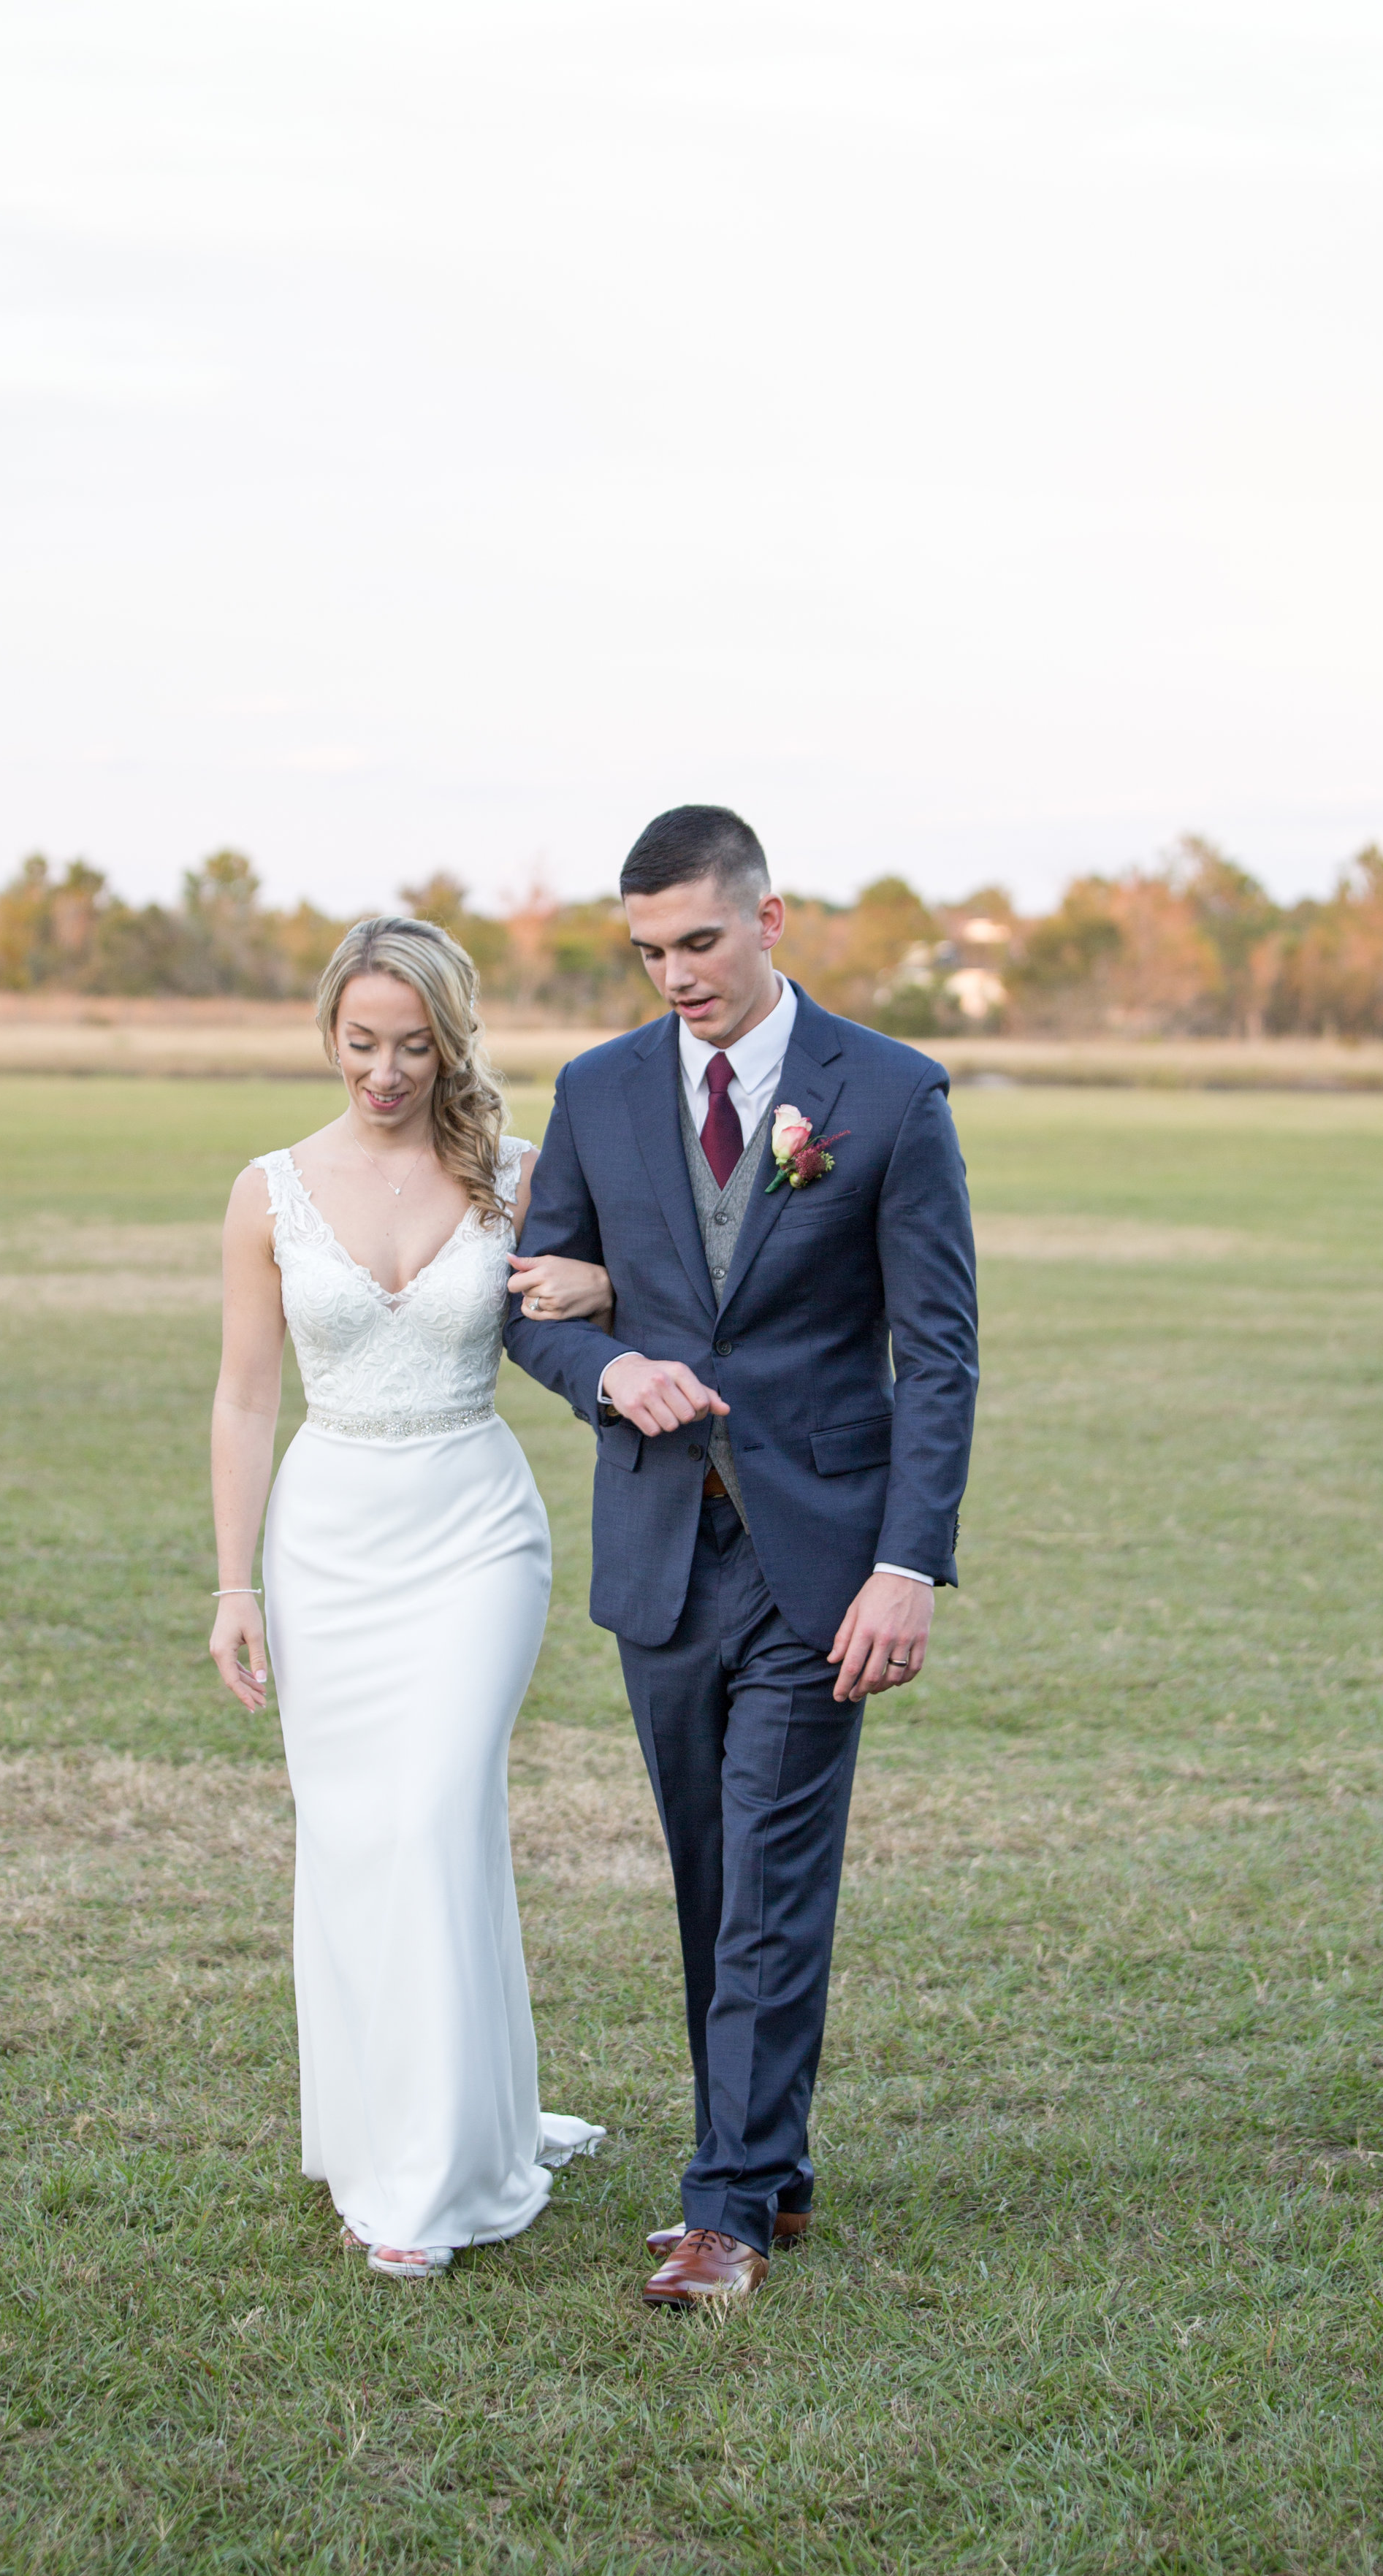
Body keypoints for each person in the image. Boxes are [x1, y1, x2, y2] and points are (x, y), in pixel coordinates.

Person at [506, 806, 978, 2307]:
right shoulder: (593, 1092)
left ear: (770, 921)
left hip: (819, 1555)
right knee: (711, 1876)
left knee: (773, 1872)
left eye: (697, 942)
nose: (673, 977)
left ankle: (718, 2208)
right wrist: (605, 1372)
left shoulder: (890, 1097)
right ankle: (767, 2167)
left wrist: (906, 1565)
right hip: (659, 1546)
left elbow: (940, 1357)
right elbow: (530, 1303)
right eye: (646, 951)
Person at [208, 914, 607, 2279]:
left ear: (452, 1041)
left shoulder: (515, 1172)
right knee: (357, 1831)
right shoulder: (269, 1189)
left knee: (438, 1810)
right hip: (327, 1541)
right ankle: (401, 2119)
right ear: (330, 1033)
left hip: (475, 1532)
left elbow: (610, 1305)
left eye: (412, 1045)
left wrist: (600, 1274)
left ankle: (434, 2183)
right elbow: (247, 1391)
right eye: (361, 1042)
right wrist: (231, 1581)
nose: (384, 1071)